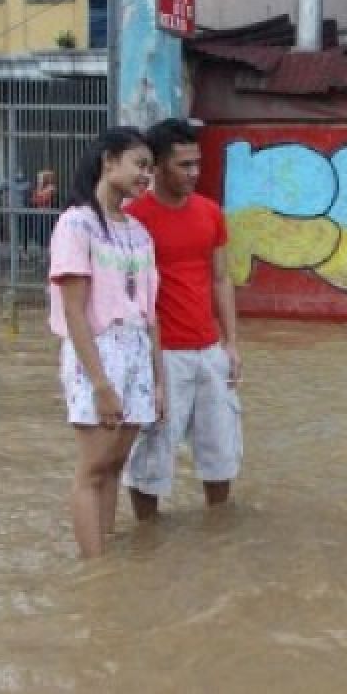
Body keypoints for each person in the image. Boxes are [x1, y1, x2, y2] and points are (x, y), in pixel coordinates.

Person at [47, 127, 162, 558]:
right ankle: (94, 571)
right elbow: (75, 310)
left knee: (115, 465)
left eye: (150, 167)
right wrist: (100, 384)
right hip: (97, 352)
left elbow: (152, 313)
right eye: (139, 165)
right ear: (109, 161)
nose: (146, 176)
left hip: (135, 351)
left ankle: (107, 555)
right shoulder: (76, 224)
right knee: (93, 469)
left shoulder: (138, 232)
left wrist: (159, 380)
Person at [124, 118, 243, 519]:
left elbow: (221, 278)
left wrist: (231, 343)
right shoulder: (134, 219)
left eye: (197, 163)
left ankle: (219, 532)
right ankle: (147, 538)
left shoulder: (211, 212)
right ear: (156, 166)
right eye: (184, 165)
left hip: (210, 351)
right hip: (162, 357)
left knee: (221, 451)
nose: (194, 173)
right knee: (152, 456)